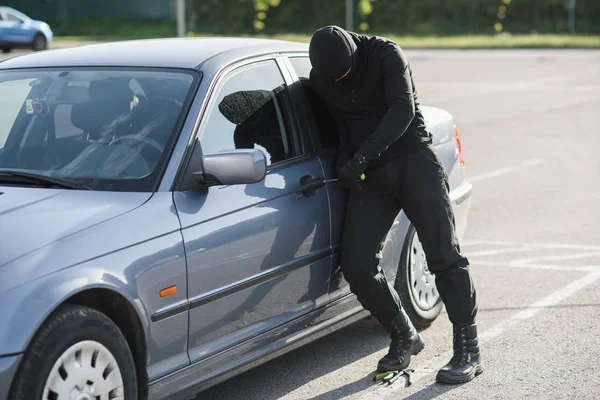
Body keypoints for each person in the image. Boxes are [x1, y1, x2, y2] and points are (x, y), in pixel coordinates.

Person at [308, 25, 482, 384]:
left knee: (443, 257)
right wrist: (345, 161)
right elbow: (339, 125)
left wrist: (363, 155)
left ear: (355, 53)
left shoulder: (386, 54)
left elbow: (402, 110)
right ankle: (404, 333)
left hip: (413, 162)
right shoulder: (322, 76)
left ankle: (469, 349)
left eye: (346, 74)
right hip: (370, 178)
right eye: (334, 78)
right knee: (355, 263)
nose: (341, 80)